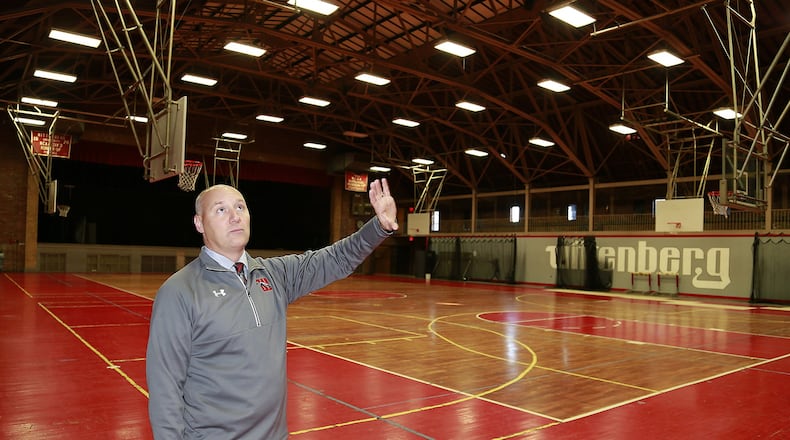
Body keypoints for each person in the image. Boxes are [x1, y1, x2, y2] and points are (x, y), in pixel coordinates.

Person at [146, 179, 398, 439]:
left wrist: (378, 227)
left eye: (240, 207)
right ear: (199, 223)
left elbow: (335, 259)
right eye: (221, 210)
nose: (235, 216)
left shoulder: (274, 275)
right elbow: (165, 386)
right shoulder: (179, 291)